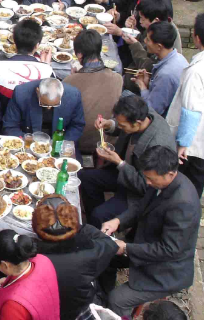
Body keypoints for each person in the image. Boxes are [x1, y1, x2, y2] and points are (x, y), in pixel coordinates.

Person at [100, 146, 200, 317]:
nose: (147, 183)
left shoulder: (183, 204)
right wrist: (118, 221)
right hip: (146, 245)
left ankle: (117, 311)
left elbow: (170, 250)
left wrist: (126, 248)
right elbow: (140, 207)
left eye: (150, 179)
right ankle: (103, 299)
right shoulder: (161, 181)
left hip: (165, 270)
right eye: (146, 177)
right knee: (104, 255)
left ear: (170, 173)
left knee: (117, 299)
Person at [78, 95, 176, 228]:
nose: (120, 126)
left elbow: (144, 185)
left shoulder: (157, 144)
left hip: (140, 191)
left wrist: (119, 162)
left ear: (138, 123)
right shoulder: (145, 114)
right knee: (85, 177)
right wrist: (109, 124)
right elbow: (122, 124)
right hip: (125, 171)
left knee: (99, 215)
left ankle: (99, 231)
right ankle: (99, 223)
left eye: (122, 125)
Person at [32, 194, 118, 320]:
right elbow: (110, 245)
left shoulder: (30, 255)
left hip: (44, 311)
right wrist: (79, 227)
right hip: (78, 309)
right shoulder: (90, 250)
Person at [64, 29, 123, 156]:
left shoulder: (69, 81)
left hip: (78, 143)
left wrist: (75, 77)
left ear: (79, 55)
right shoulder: (117, 78)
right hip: (106, 142)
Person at [166, 13, 204, 198]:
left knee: (187, 188)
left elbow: (191, 111)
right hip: (199, 142)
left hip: (193, 144)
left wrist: (183, 144)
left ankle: (186, 219)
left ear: (197, 37)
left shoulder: (196, 71)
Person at [0, 229, 60, 320]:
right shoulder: (42, 260)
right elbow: (34, 283)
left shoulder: (13, 307)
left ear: (5, 265)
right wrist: (0, 282)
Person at [3, 77, 85, 149]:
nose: (49, 108)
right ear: (38, 92)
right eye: (44, 104)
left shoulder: (73, 96)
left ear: (62, 94)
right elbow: (10, 126)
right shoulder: (21, 94)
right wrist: (29, 142)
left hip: (59, 141)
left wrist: (60, 143)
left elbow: (77, 125)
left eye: (55, 105)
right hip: (28, 139)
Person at [0, 19, 53, 106]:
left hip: (5, 115)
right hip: (33, 117)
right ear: (37, 45)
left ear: (14, 43)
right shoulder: (47, 71)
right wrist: (46, 66)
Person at [135, 21, 188, 117]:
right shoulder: (179, 57)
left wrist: (142, 86)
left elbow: (152, 109)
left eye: (148, 40)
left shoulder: (166, 75)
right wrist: (149, 84)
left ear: (159, 46)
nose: (145, 42)